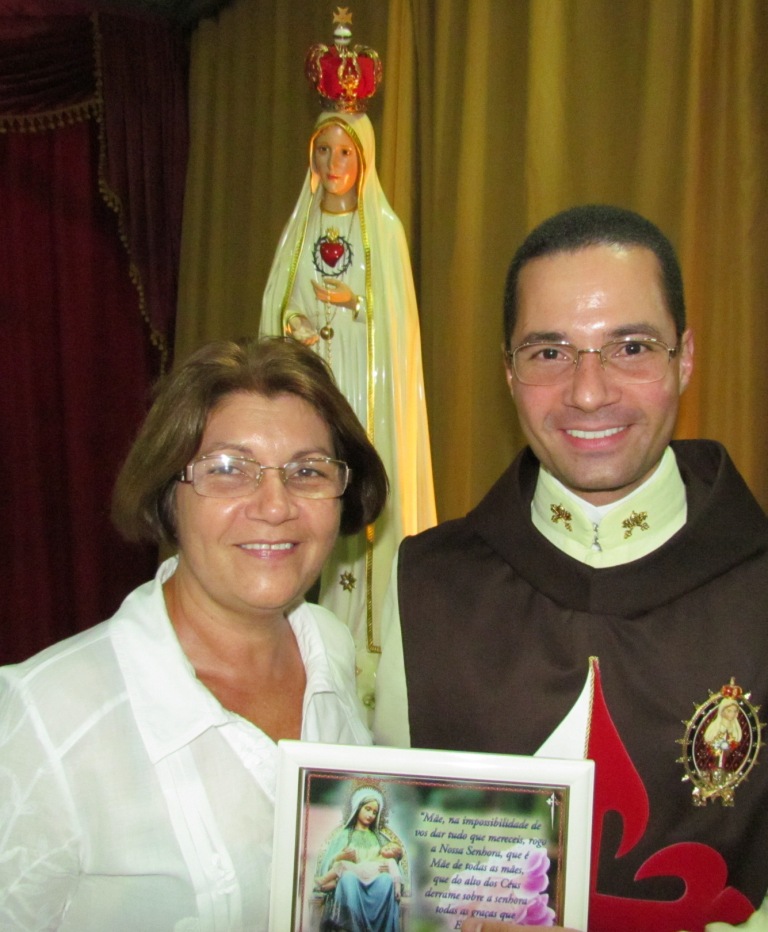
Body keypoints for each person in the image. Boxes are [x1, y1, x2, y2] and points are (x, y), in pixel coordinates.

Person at [373, 205, 768, 932]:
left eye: (631, 347)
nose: (589, 393)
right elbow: (393, 872)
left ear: (685, 358)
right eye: (550, 352)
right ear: (508, 371)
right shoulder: (423, 587)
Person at [0, 336, 388, 931]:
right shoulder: (43, 715)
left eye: (308, 471)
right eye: (228, 470)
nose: (276, 506)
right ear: (167, 496)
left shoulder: (329, 647)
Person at [260, 106, 436, 710]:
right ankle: (314, 636)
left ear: (363, 161)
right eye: (323, 151)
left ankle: (374, 646)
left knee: (362, 494)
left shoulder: (381, 229)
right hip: (318, 384)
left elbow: (395, 319)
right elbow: (280, 303)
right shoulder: (301, 229)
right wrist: (295, 325)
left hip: (367, 386)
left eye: (344, 153)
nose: (333, 164)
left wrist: (354, 305)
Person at [315, 786, 404, 931]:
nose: (371, 815)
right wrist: (340, 856)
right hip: (352, 876)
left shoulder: (380, 838)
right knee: (348, 877)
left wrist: (388, 869)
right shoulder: (344, 835)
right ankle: (353, 927)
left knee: (386, 880)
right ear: (358, 808)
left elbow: (394, 863)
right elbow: (327, 864)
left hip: (373, 878)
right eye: (367, 809)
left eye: (375, 812)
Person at [315, 841, 403, 895]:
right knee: (340, 871)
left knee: (341, 864)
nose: (388, 848)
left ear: (395, 857)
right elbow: (362, 863)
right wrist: (353, 856)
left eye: (392, 850)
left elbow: (396, 874)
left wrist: (397, 889)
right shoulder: (375, 858)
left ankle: (322, 880)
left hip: (366, 875)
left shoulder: (390, 861)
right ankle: (326, 886)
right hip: (361, 872)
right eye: (388, 845)